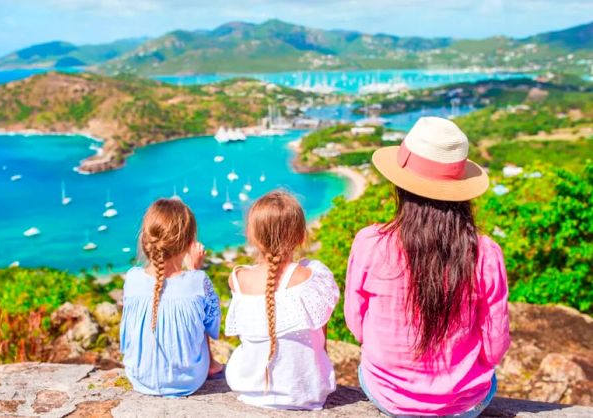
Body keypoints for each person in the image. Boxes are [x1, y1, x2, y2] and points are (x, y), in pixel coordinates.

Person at [345, 117, 510, 417]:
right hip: (463, 402)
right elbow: (494, 347)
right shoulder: (486, 253)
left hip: (388, 394)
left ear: (401, 185)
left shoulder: (370, 243)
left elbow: (357, 327)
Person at [225, 190, 339, 410]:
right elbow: (321, 340)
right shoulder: (313, 277)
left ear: (252, 236)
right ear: (301, 236)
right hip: (306, 393)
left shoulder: (238, 279)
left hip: (250, 391)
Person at [119, 198, 224, 397]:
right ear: (188, 244)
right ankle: (211, 365)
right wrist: (195, 270)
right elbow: (212, 326)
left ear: (145, 239)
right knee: (200, 318)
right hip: (188, 381)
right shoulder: (198, 281)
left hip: (139, 379)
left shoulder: (132, 279)